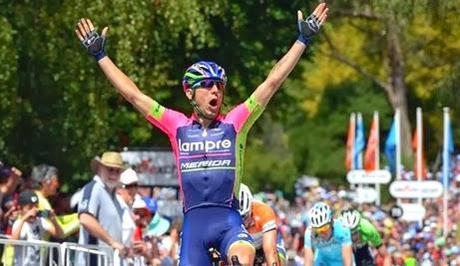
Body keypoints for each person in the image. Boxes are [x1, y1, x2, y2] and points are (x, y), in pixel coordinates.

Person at [75, 3, 328, 265]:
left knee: (243, 258)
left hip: (228, 222)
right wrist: (100, 56)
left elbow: (271, 82)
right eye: (206, 86)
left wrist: (303, 39)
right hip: (194, 226)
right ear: (189, 92)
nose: (215, 91)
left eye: (219, 86)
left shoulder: (235, 123)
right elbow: (133, 95)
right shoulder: (177, 126)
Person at [76, 151, 126, 265]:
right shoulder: (94, 188)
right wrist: (112, 242)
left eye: (117, 170)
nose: (114, 174)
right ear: (100, 169)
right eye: (110, 169)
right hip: (92, 261)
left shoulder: (115, 199)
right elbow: (85, 218)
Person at [11, 190, 64, 266]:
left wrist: (54, 221)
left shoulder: (41, 221)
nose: (34, 210)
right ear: (20, 209)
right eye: (30, 208)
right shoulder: (19, 223)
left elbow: (60, 235)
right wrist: (24, 219)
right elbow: (12, 243)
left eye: (36, 206)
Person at [239, 183, 286, 266]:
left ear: (251, 207)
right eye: (239, 218)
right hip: (242, 248)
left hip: (263, 246)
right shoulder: (225, 215)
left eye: (245, 216)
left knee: (278, 257)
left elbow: (270, 252)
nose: (244, 221)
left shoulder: (264, 211)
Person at [31, 164, 79, 237]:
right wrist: (83, 219)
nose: (58, 185)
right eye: (55, 181)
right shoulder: (42, 203)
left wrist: (77, 216)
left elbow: (54, 220)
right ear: (45, 182)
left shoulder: (35, 197)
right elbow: (60, 232)